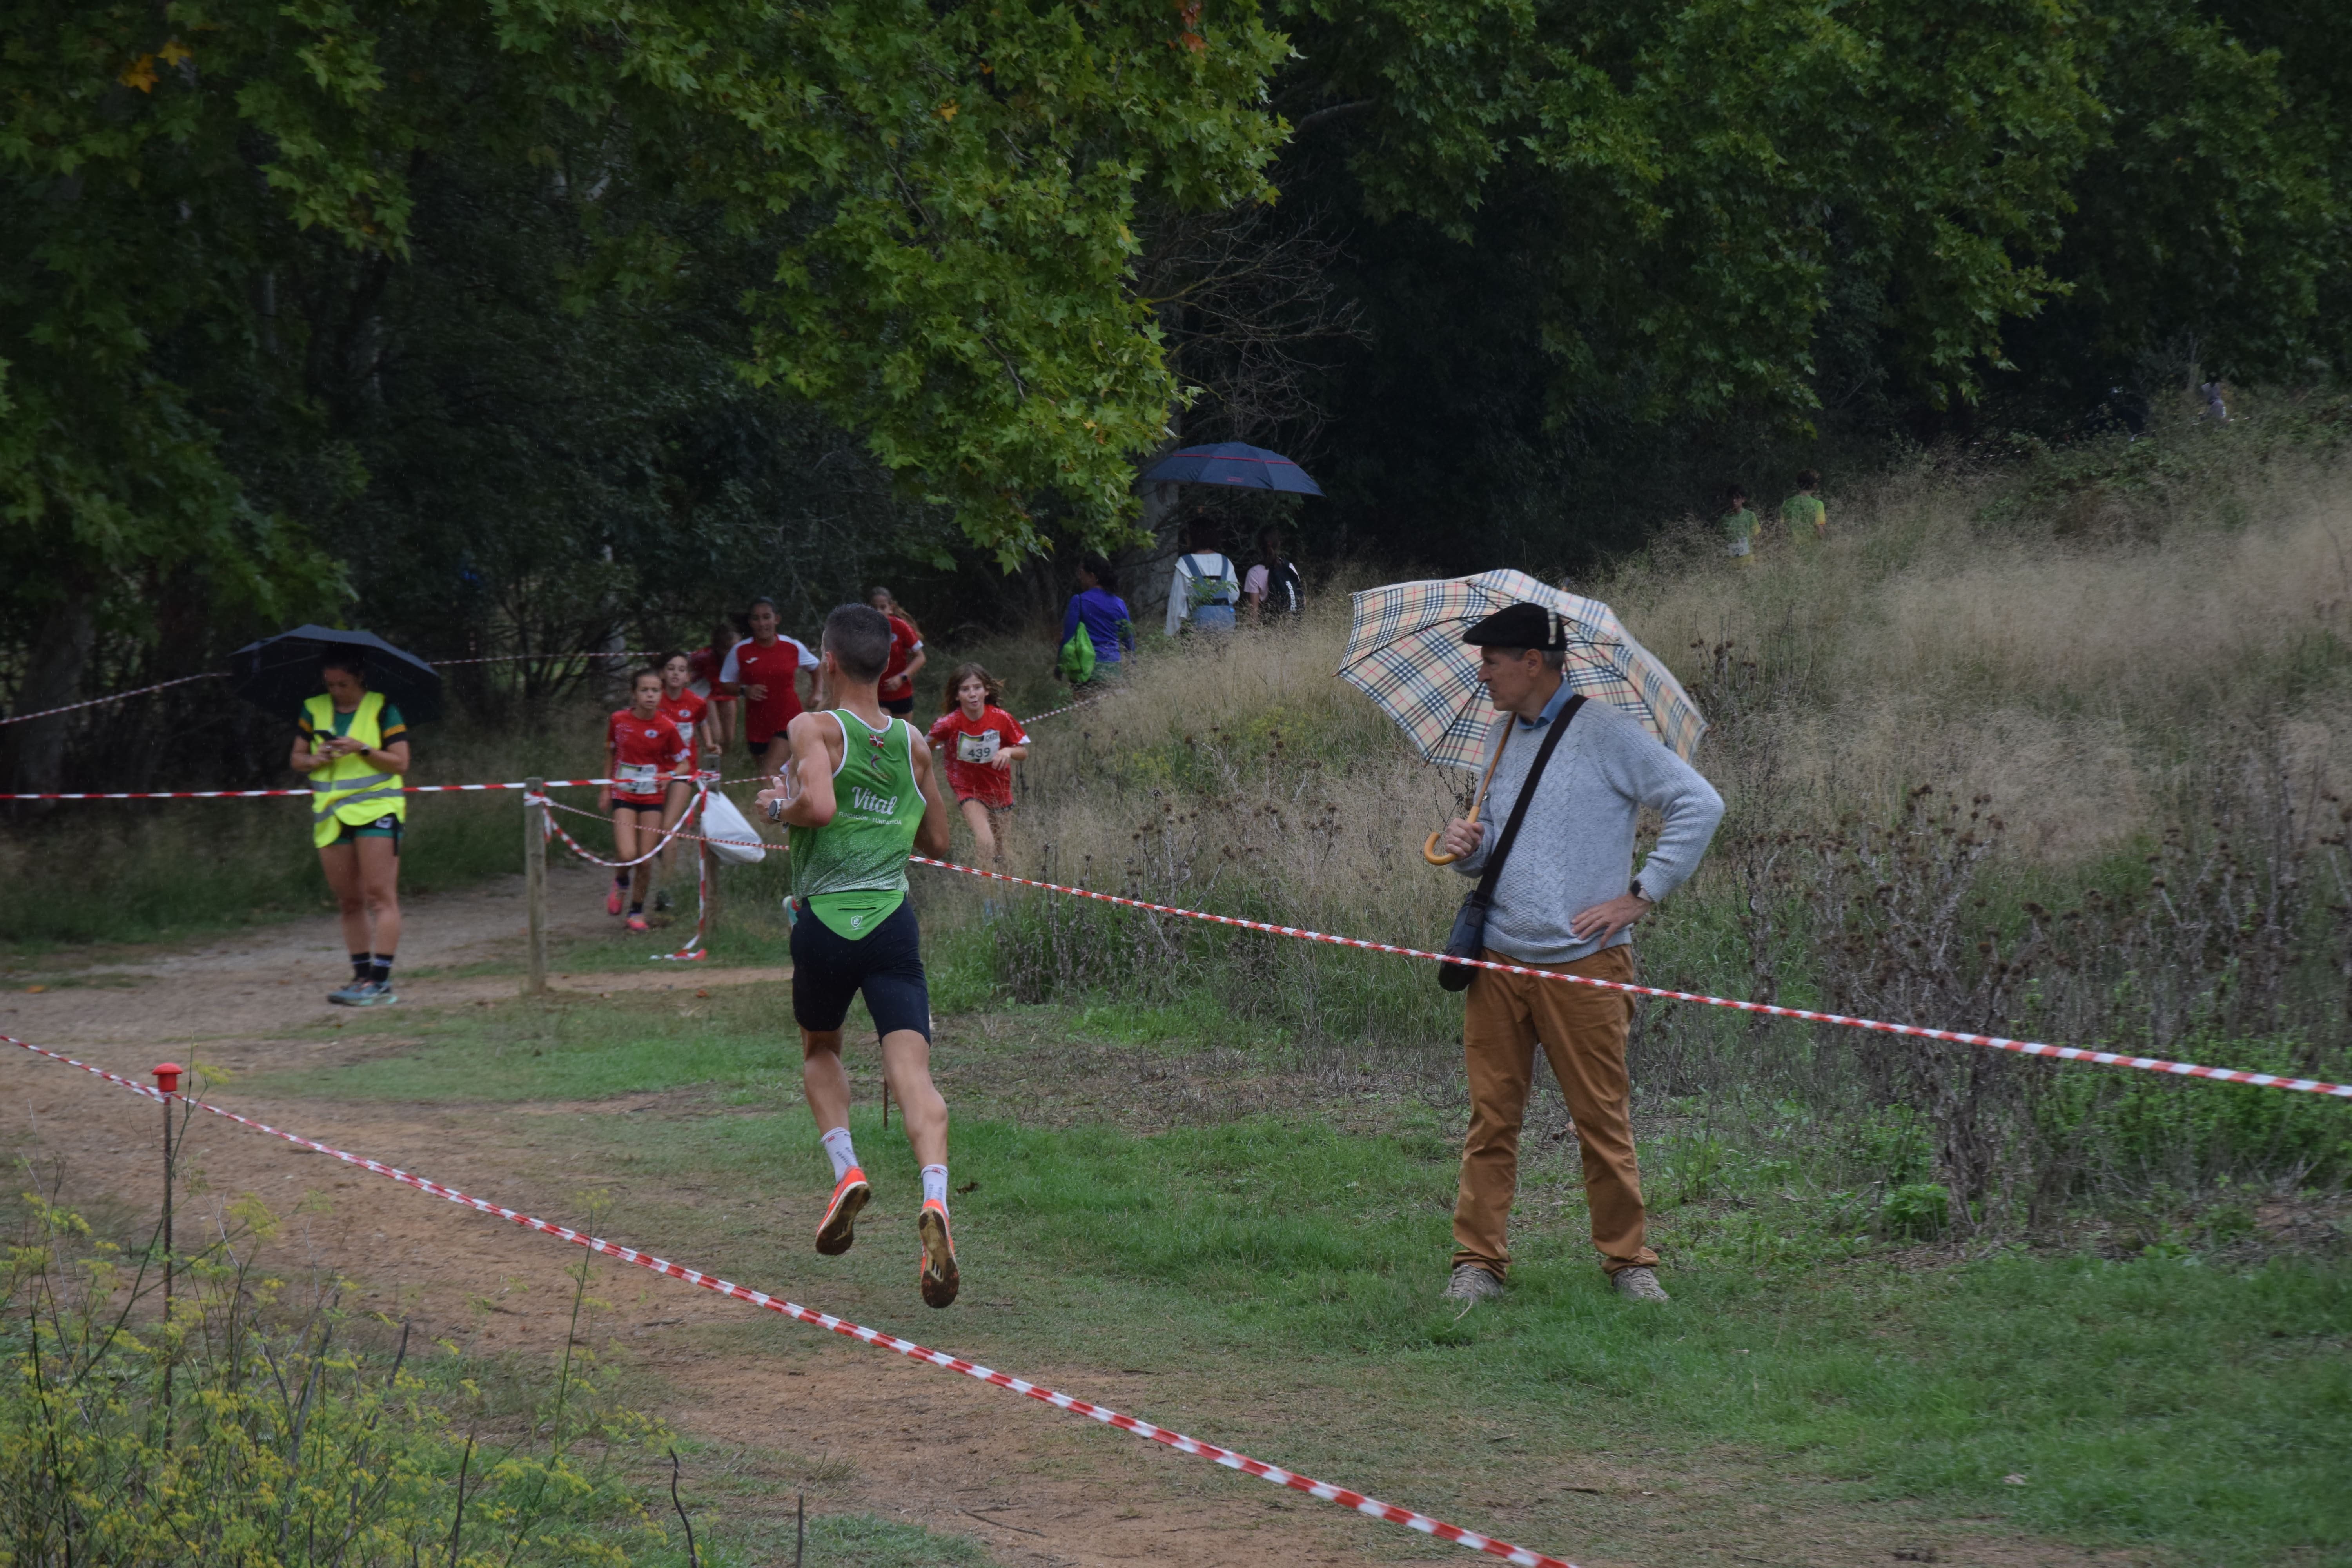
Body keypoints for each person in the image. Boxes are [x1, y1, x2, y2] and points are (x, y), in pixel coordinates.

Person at [1434, 603, 1724, 1306]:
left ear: (1533, 661)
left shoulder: (1606, 733)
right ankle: (1477, 1264)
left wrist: (1641, 894)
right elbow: (1497, 847)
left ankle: (1629, 1264)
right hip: (1500, 961)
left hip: (1583, 964)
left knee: (1600, 1116)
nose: (1484, 674)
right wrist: (1467, 849)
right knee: (1491, 1117)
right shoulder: (1502, 738)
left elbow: (1699, 803)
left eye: (1494, 661)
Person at [756, 604, 961, 1308]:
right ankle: (935, 1199)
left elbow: (815, 808)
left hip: (824, 924)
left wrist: (775, 808)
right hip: (891, 925)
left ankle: (846, 1172)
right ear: (886, 665)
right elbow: (938, 841)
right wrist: (888, 827)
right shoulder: (914, 743)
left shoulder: (814, 727)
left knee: (820, 1048)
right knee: (914, 1073)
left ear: (830, 663)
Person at [290, 652, 411, 1007]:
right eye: (330, 684)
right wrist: (317, 758)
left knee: (380, 896)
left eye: (343, 684)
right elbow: (298, 758)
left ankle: (381, 980)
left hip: (377, 809)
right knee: (348, 900)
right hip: (331, 813)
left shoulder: (383, 708)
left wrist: (362, 749)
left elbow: (401, 763)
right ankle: (360, 976)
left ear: (360, 679)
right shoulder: (313, 709)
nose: (337, 690)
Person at [600, 668, 692, 934]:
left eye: (655, 690)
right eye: (644, 690)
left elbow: (684, 764)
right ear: (634, 694)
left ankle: (636, 911)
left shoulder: (667, 726)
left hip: (652, 797)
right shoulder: (618, 720)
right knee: (627, 854)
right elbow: (610, 755)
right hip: (624, 795)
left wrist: (671, 775)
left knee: (646, 859)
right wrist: (606, 789)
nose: (650, 695)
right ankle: (621, 881)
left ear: (661, 694)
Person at [928, 664, 1029, 864]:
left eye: (977, 688)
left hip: (999, 788)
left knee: (1003, 850)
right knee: (985, 842)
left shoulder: (1002, 718)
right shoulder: (949, 723)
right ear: (957, 696)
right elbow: (923, 746)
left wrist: (1008, 750)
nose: (972, 694)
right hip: (968, 789)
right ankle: (987, 892)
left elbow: (1023, 752)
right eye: (965, 690)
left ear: (987, 690)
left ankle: (1007, 891)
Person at [717, 597, 816, 782]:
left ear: (776, 619)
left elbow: (816, 667)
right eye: (756, 619)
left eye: (767, 617)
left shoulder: (792, 646)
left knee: (769, 773)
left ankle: (779, 809)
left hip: (789, 719)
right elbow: (725, 684)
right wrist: (744, 690)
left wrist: (817, 692)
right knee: (769, 776)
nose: (762, 623)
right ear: (750, 622)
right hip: (757, 724)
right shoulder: (740, 651)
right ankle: (791, 804)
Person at [653, 650, 712, 909]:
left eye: (681, 669)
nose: (675, 673)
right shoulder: (653, 698)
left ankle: (665, 893)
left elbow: (703, 723)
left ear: (688, 677)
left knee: (668, 829)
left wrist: (710, 743)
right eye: (671, 668)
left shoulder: (696, 703)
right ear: (663, 674)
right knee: (652, 833)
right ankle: (662, 865)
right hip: (653, 773)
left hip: (684, 772)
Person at [1057, 555, 1134, 685]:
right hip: (1113, 669)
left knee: (1085, 705)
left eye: (1082, 574)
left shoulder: (1079, 601)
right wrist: (1133, 664)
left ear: (1092, 577)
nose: (1080, 579)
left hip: (1086, 668)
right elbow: (1128, 638)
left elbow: (1068, 637)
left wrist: (1059, 667)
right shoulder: (1120, 604)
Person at [1164, 519, 1241, 637]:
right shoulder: (1226, 562)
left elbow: (1177, 601)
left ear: (1194, 537)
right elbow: (1234, 595)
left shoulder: (1185, 563)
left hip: (1197, 626)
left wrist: (1172, 632)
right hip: (1226, 624)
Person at [868, 588, 927, 718]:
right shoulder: (864, 630)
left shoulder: (901, 627)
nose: (879, 612)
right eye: (874, 608)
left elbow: (920, 657)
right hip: (876, 694)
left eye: (883, 607)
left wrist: (902, 677)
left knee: (903, 737)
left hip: (902, 692)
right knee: (884, 732)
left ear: (891, 608)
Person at [1243, 528, 1304, 621]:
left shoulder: (1254, 573)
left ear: (1259, 545)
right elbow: (1302, 599)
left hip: (1271, 627)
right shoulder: (1289, 567)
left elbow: (1253, 614)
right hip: (1295, 627)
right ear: (1279, 544)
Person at [1780, 470, 1826, 545]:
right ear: (1815, 486)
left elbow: (1782, 529)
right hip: (1811, 547)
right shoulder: (1818, 504)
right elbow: (1819, 529)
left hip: (1791, 547)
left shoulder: (1787, 503)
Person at [1720, 486, 1760, 564]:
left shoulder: (1750, 515)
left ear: (1743, 500)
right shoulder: (1724, 519)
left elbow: (1756, 537)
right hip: (1731, 563)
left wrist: (1758, 557)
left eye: (1738, 498)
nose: (1734, 501)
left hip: (1749, 561)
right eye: (1732, 498)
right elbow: (1720, 540)